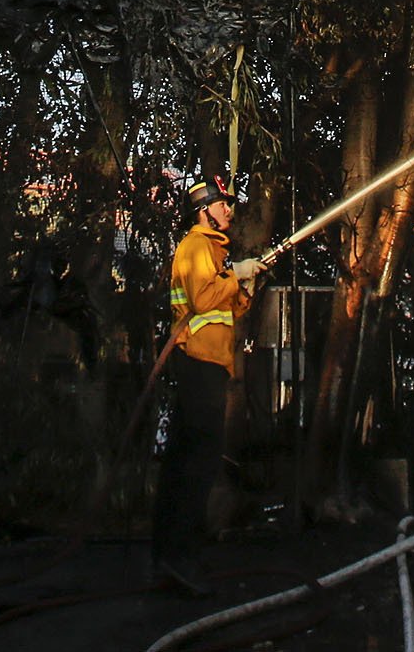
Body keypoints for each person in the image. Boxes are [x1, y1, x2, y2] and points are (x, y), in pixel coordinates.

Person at [152, 172, 260, 595]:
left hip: (208, 365)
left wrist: (246, 282)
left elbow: (227, 304)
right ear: (204, 210)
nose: (228, 209)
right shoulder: (197, 246)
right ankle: (180, 559)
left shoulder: (215, 252)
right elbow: (203, 300)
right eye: (222, 204)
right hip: (198, 364)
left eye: (229, 203)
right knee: (197, 462)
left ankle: (169, 558)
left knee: (184, 461)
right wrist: (237, 276)